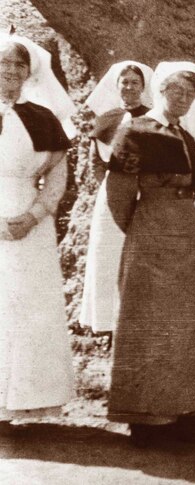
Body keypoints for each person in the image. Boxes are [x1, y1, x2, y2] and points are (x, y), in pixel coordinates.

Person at [105, 61, 195, 444]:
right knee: (150, 321)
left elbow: (194, 186)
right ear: (160, 91)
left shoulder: (184, 136)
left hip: (189, 232)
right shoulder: (136, 130)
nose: (182, 99)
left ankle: (186, 408)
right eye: (175, 91)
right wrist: (143, 230)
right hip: (151, 233)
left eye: (190, 94)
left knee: (189, 320)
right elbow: (119, 196)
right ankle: (149, 418)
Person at [0, 34, 75, 432]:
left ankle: (26, 401)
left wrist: (34, 215)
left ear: (30, 72)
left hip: (30, 223)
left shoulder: (42, 118)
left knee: (27, 308)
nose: (10, 70)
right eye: (4, 63)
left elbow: (58, 176)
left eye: (19, 64)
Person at [79, 60, 153, 333]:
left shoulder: (152, 118)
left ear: (143, 87)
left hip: (143, 193)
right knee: (107, 254)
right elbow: (95, 162)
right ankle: (108, 324)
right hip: (110, 195)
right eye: (125, 82)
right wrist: (112, 186)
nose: (129, 87)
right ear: (117, 85)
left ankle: (137, 323)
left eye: (135, 82)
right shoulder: (106, 118)